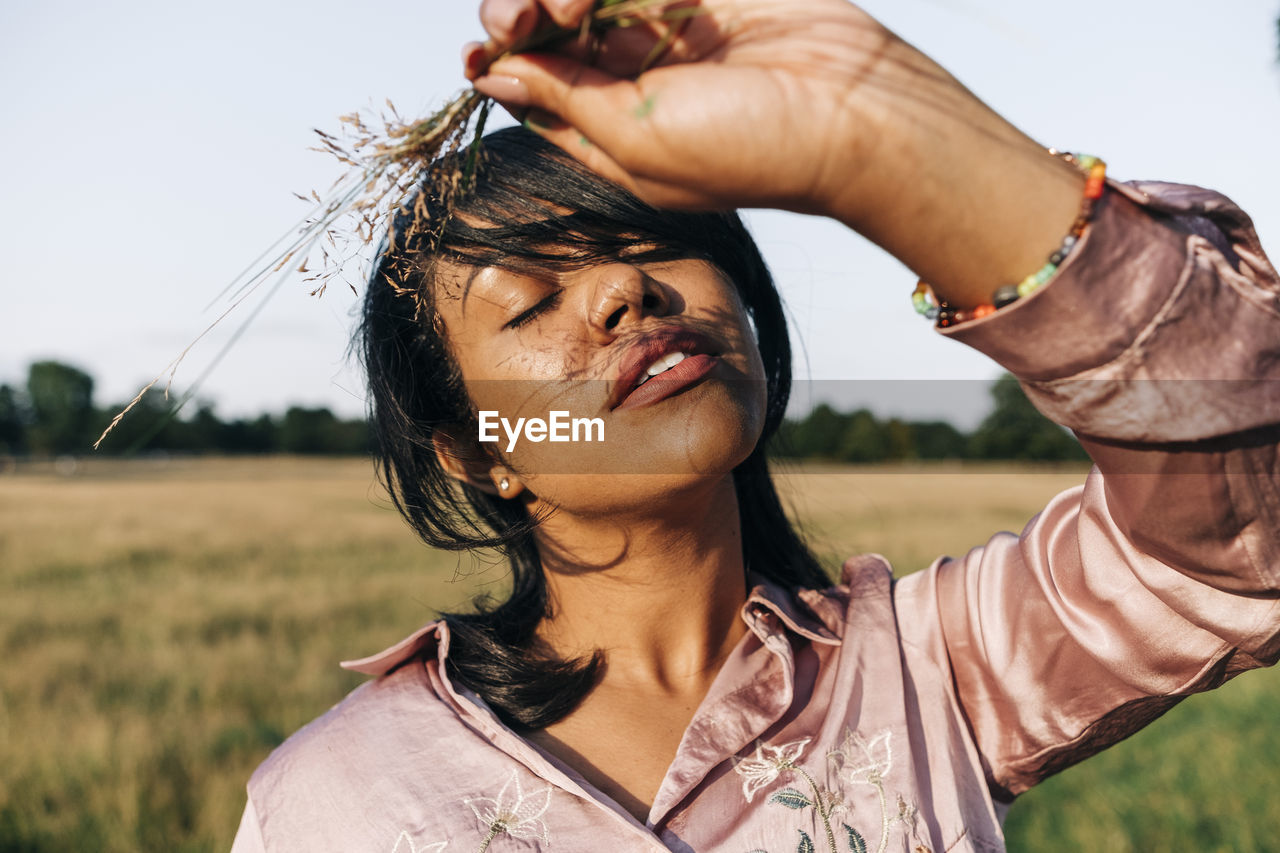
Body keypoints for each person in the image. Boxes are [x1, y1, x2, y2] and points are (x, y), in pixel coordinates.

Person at [231, 0, 1280, 850]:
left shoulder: (931, 675)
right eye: (530, 303)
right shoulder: (338, 800)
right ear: (475, 454)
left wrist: (873, 135)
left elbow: (1232, 537)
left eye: (647, 244)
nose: (621, 297)